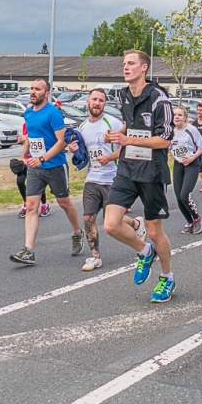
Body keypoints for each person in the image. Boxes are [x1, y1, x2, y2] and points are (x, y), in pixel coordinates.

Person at [103, 50, 177, 303]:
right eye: (124, 64)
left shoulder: (159, 99)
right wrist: (116, 134)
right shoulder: (122, 94)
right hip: (127, 169)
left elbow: (165, 140)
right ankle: (145, 251)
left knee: (155, 232)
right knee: (111, 224)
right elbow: (130, 123)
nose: (126, 68)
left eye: (131, 64)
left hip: (151, 172)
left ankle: (167, 278)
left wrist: (128, 139)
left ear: (144, 68)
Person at [9, 79, 83, 265]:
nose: (33, 92)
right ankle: (28, 250)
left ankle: (77, 232)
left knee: (64, 203)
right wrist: (24, 156)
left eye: (38, 89)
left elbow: (62, 141)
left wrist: (43, 158)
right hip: (36, 168)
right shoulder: (28, 112)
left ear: (47, 93)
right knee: (32, 206)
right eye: (32, 89)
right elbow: (30, 137)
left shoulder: (53, 114)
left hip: (55, 166)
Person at [74, 88, 146, 271]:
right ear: (88, 102)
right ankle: (95, 257)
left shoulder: (112, 122)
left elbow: (126, 145)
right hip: (92, 178)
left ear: (105, 104)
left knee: (113, 220)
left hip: (112, 178)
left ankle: (136, 224)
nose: (97, 103)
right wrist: (74, 149)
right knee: (88, 217)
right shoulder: (82, 127)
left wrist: (109, 157)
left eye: (101, 100)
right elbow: (84, 151)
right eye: (94, 99)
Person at [170, 105, 202, 234]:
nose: (177, 117)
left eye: (180, 115)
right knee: (178, 197)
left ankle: (197, 218)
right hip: (179, 164)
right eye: (174, 115)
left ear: (185, 117)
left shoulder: (191, 129)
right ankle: (189, 221)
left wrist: (192, 158)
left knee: (185, 194)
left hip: (192, 163)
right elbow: (169, 148)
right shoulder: (170, 131)